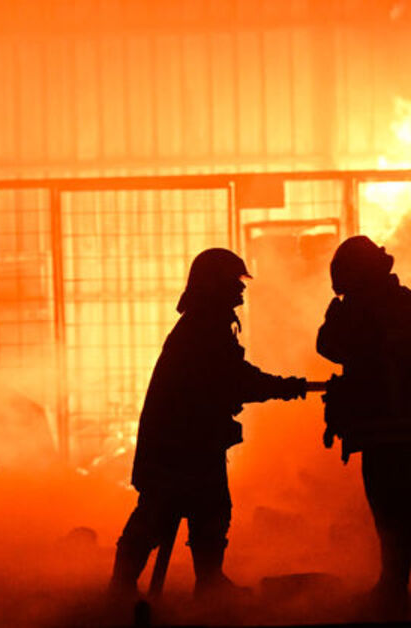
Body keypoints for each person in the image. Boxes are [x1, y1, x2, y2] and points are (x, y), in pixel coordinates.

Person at [109, 248, 307, 600]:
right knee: (163, 512)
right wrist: (284, 386)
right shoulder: (205, 326)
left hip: (189, 440)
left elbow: (228, 379)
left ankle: (200, 584)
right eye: (234, 281)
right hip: (182, 444)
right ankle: (134, 587)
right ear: (215, 284)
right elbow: (233, 379)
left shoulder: (206, 322)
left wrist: (283, 386)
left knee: (203, 510)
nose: (241, 289)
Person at [316, 235, 411, 616]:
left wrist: (333, 317)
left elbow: (329, 346)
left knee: (391, 512)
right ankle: (398, 587)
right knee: (395, 510)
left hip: (387, 433)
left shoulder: (363, 311)